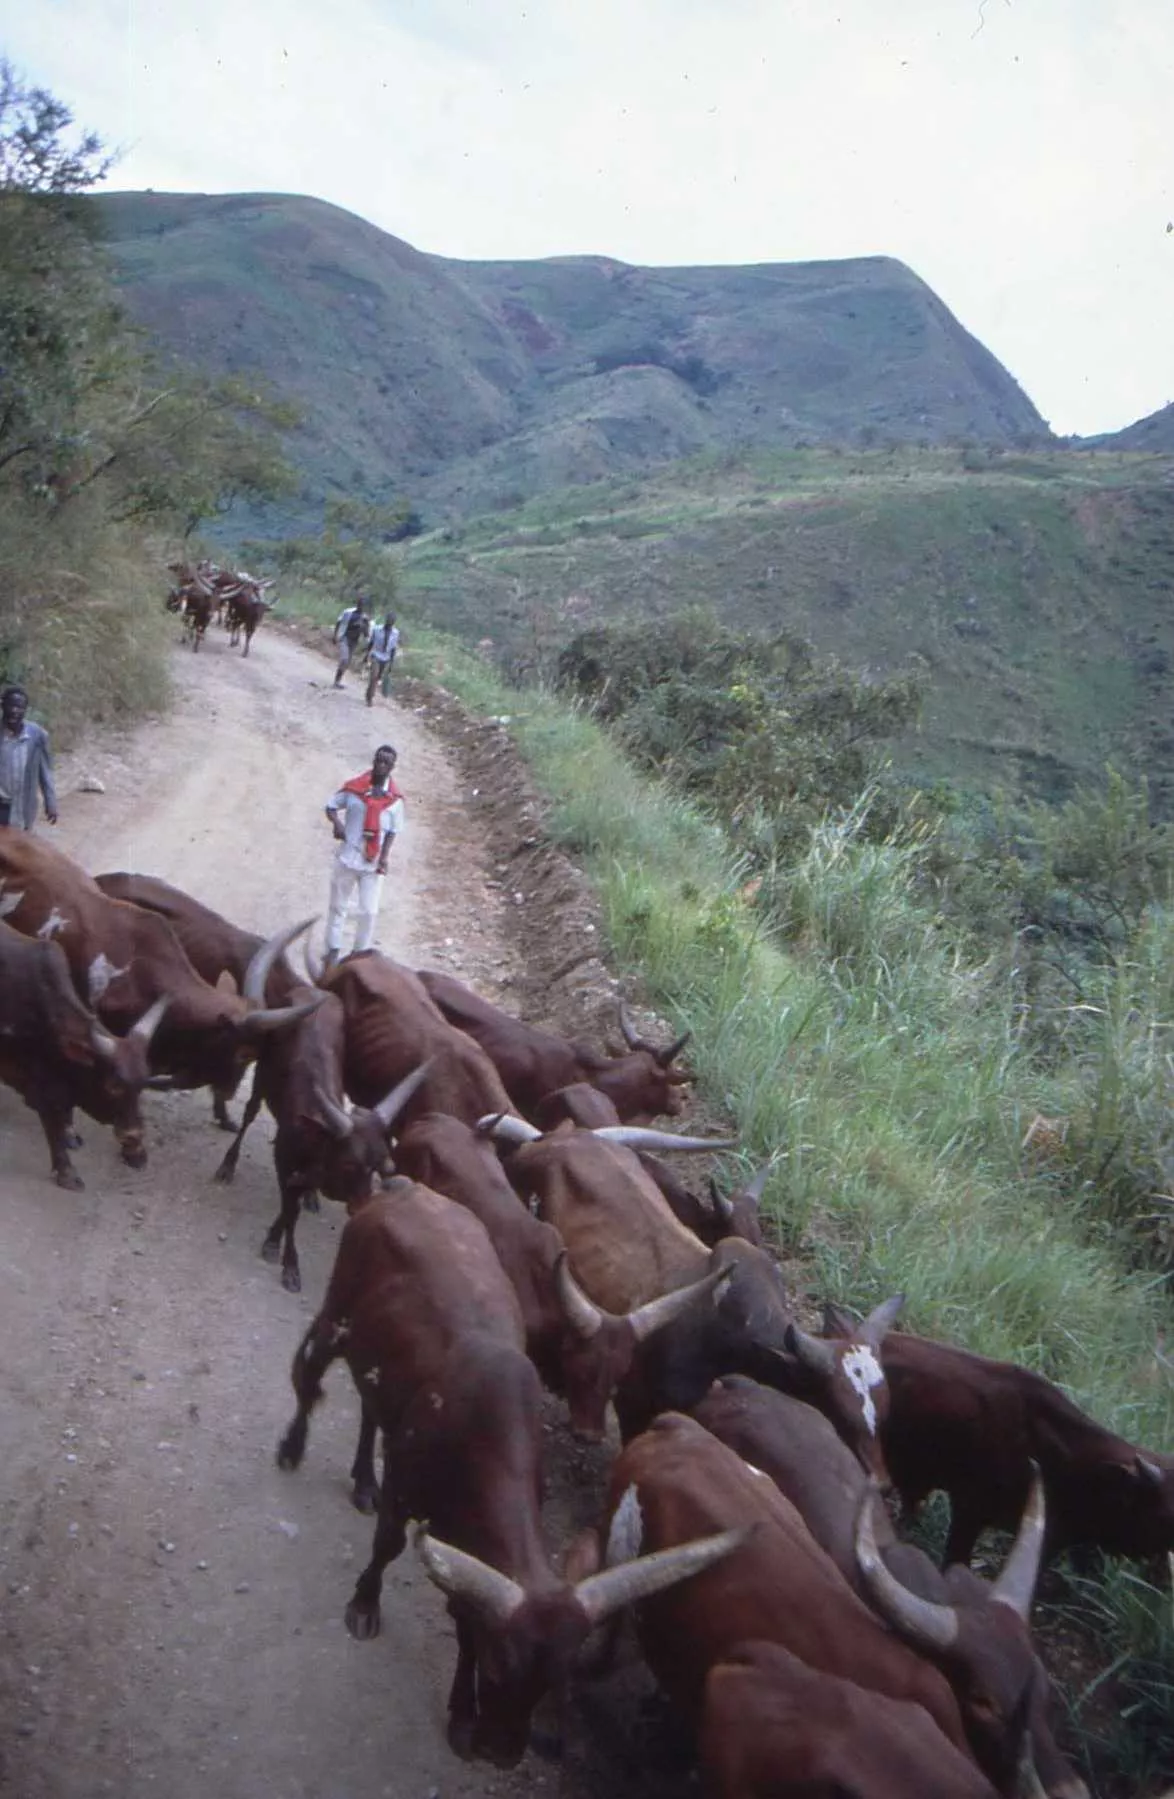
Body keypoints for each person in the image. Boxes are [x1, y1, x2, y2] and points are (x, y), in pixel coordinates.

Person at [322, 744, 405, 970]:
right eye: (379, 760)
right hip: (348, 857)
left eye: (386, 762)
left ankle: (359, 956)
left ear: (392, 767)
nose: (381, 765)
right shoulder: (354, 789)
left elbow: (393, 831)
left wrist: (384, 856)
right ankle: (331, 953)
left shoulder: (395, 801)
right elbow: (331, 806)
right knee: (338, 906)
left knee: (369, 912)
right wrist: (337, 824)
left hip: (372, 862)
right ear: (373, 761)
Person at [0, 685, 58, 831]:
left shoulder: (37, 736)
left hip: (24, 806)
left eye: (19, 707)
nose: (14, 711)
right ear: (2, 706)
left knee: (21, 842)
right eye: (10, 706)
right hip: (1, 805)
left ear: (25, 710)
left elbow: (46, 772)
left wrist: (50, 802)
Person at [332, 597, 371, 689]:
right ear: (357, 604)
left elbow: (366, 634)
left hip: (354, 641)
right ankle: (336, 681)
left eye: (363, 605)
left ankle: (338, 680)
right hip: (345, 637)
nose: (361, 607)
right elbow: (339, 622)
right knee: (344, 659)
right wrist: (335, 635)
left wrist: (365, 625)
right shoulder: (349, 612)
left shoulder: (365, 618)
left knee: (346, 662)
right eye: (360, 604)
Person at [363, 611, 400, 706]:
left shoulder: (395, 633)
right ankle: (370, 697)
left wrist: (391, 663)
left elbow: (393, 648)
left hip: (386, 658)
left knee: (377, 678)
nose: (390, 621)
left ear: (394, 622)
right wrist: (366, 655)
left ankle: (369, 692)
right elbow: (371, 643)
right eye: (389, 619)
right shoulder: (377, 629)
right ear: (386, 619)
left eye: (392, 620)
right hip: (376, 655)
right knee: (374, 676)